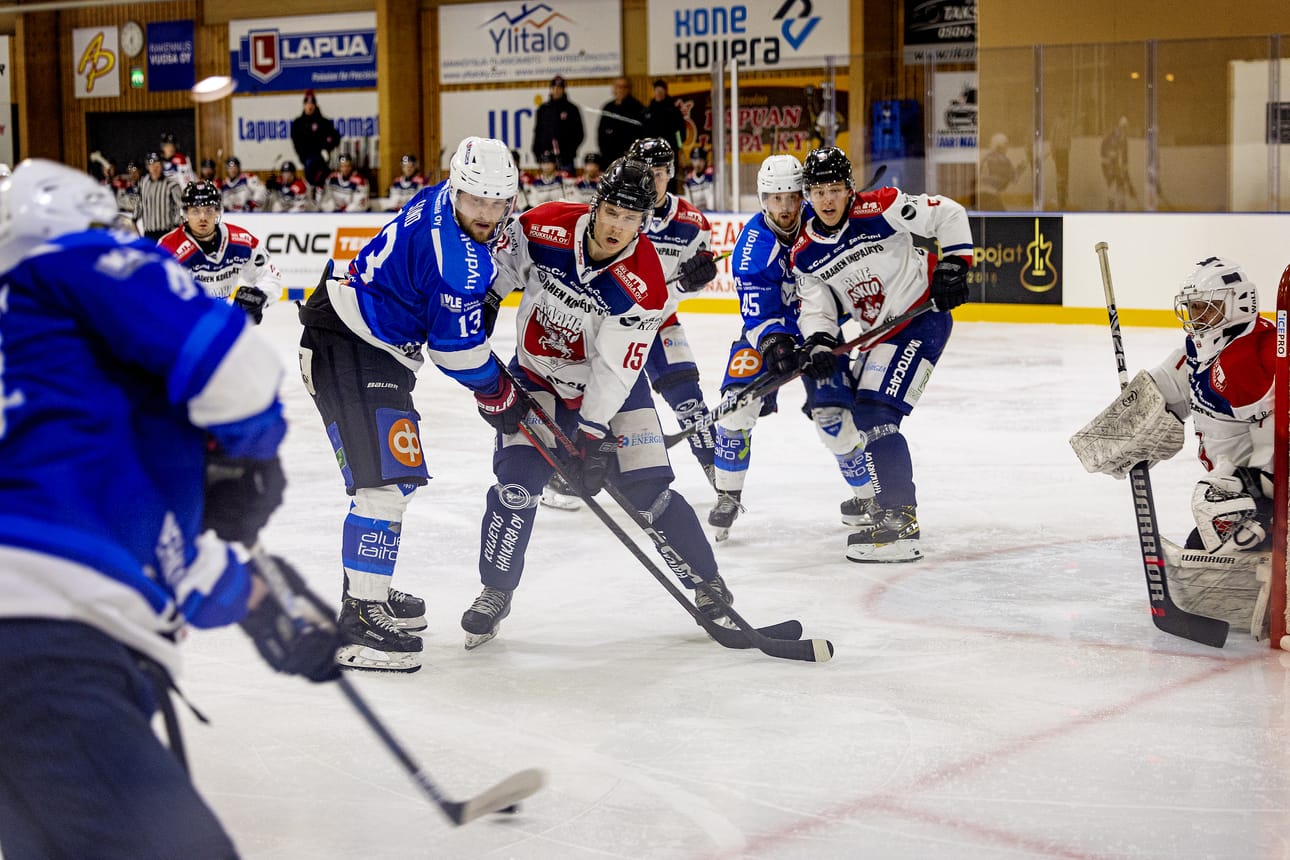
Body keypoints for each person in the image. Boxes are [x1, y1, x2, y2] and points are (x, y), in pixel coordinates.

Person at [0, 158, 339, 859]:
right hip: (46, 657)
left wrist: (258, 602)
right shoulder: (71, 262)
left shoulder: (52, 384)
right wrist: (249, 460)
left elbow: (114, 519)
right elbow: (236, 373)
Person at [464, 157, 733, 648]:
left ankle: (707, 584)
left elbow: (617, 368)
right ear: (597, 205)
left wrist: (590, 434)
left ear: (644, 221)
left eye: (631, 219)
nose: (618, 227)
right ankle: (494, 590)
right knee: (515, 486)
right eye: (612, 213)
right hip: (536, 376)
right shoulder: (545, 225)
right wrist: (482, 300)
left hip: (611, 392)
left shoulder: (645, 281)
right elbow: (503, 267)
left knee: (649, 493)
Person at [297, 137, 522, 673]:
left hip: (358, 343)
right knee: (384, 484)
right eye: (476, 201)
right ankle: (358, 618)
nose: (487, 214)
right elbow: (456, 352)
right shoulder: (458, 256)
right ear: (457, 188)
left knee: (389, 479)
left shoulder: (433, 198)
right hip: (352, 347)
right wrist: (499, 389)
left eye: (497, 203)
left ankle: (368, 589)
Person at [792, 146, 973, 563]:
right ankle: (883, 500)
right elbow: (816, 307)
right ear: (808, 196)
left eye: (835, 189)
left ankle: (899, 520)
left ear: (850, 189)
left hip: (920, 319)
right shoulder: (805, 252)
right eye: (818, 192)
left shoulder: (882, 206)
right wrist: (818, 342)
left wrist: (956, 265)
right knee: (859, 413)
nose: (828, 200)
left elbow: (947, 213)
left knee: (876, 414)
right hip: (878, 336)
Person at [538, 137, 719, 512]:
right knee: (591, 398)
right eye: (643, 173)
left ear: (671, 173)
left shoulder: (692, 224)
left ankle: (723, 478)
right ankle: (570, 471)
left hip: (660, 322)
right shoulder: (615, 211)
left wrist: (692, 281)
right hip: (608, 326)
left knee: (690, 402)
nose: (650, 183)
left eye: (657, 174)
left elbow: (681, 289)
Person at [708, 155, 875, 541]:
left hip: (821, 337)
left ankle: (869, 498)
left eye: (791, 197)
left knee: (834, 419)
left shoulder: (822, 228)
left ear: (803, 196)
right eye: (774, 198)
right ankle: (728, 495)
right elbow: (756, 314)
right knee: (736, 405)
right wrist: (775, 344)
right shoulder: (752, 246)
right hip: (769, 338)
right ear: (762, 198)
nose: (783, 208)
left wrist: (823, 336)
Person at [157, 181, 282, 324]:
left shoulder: (241, 241)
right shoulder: (168, 248)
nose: (202, 217)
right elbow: (154, 293)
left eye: (209, 210)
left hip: (221, 323)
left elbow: (270, 276)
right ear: (185, 213)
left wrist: (260, 297)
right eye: (195, 211)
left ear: (217, 211)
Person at [532, 75, 584, 173]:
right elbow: (538, 132)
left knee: (567, 186)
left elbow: (579, 134)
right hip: (546, 159)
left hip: (566, 159)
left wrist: (569, 152)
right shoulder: (543, 109)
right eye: (554, 88)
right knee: (547, 186)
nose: (556, 90)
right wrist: (537, 152)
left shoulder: (572, 109)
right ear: (550, 89)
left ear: (563, 90)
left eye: (559, 88)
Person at [292, 89, 341, 189]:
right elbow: (297, 142)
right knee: (311, 176)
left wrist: (327, 148)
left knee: (324, 181)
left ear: (315, 105)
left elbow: (335, 138)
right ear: (304, 105)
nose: (310, 106)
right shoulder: (298, 123)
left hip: (323, 158)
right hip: (307, 158)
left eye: (312, 103)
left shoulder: (323, 122)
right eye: (307, 103)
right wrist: (302, 156)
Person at [642, 80, 685, 188]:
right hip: (651, 153)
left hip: (669, 152)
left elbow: (679, 133)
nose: (659, 93)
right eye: (657, 90)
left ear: (665, 92)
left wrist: (679, 146)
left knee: (669, 178)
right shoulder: (647, 111)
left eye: (661, 91)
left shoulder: (673, 111)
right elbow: (642, 134)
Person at [596, 76, 645, 164]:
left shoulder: (637, 108)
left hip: (630, 158)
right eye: (618, 87)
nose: (621, 90)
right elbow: (600, 132)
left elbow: (642, 133)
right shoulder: (608, 107)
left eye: (624, 87)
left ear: (629, 89)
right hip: (609, 157)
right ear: (614, 89)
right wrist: (603, 151)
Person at [137, 151, 184, 240]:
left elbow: (181, 206)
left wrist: (176, 225)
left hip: (167, 232)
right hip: (148, 232)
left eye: (157, 164)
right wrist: (134, 220)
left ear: (162, 165)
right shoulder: (143, 182)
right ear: (147, 167)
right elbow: (140, 203)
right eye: (151, 165)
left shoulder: (171, 183)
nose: (154, 168)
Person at [977, 133, 1017, 210]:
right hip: (991, 196)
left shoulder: (985, 158)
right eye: (1005, 145)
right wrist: (1020, 169)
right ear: (1000, 146)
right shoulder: (1003, 159)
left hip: (979, 197)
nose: (1007, 148)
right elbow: (1013, 179)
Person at [1101, 116, 1134, 211]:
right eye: (1124, 127)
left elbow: (1124, 156)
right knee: (1112, 183)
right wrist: (1110, 158)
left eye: (1126, 128)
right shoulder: (1113, 135)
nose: (1125, 130)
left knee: (1120, 184)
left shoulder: (1124, 139)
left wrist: (1125, 168)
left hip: (1116, 165)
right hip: (1109, 165)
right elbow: (1106, 149)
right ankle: (1111, 206)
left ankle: (1121, 205)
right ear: (1121, 126)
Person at [683, 146, 715, 211]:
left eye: (700, 160)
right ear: (691, 161)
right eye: (695, 160)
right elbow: (688, 202)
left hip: (712, 213)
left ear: (705, 161)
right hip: (696, 214)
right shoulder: (688, 180)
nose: (698, 164)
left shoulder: (711, 175)